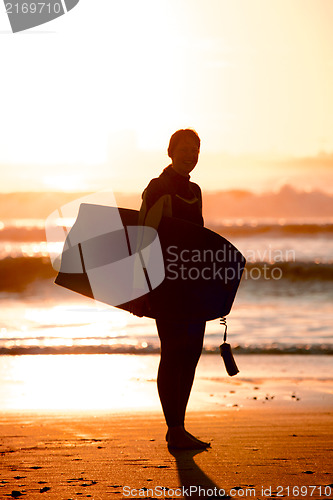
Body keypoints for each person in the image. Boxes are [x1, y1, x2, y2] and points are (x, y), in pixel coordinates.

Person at [138, 129, 210, 450]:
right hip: (166, 283)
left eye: (195, 149)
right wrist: (143, 288)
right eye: (184, 149)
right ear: (170, 151)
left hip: (194, 283)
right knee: (173, 350)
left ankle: (179, 427)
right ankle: (175, 428)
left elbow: (200, 239)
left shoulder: (195, 189)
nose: (190, 155)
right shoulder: (158, 188)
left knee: (192, 352)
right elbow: (143, 239)